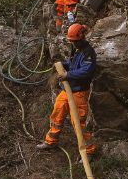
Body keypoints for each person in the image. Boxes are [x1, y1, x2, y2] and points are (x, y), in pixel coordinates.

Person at [36, 23, 97, 155]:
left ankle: (89, 151)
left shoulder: (88, 53)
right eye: (72, 41)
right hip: (67, 90)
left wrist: (67, 75)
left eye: (75, 41)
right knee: (57, 114)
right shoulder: (76, 49)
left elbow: (86, 71)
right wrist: (62, 65)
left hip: (79, 92)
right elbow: (71, 63)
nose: (73, 43)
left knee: (78, 124)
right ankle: (51, 142)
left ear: (81, 38)